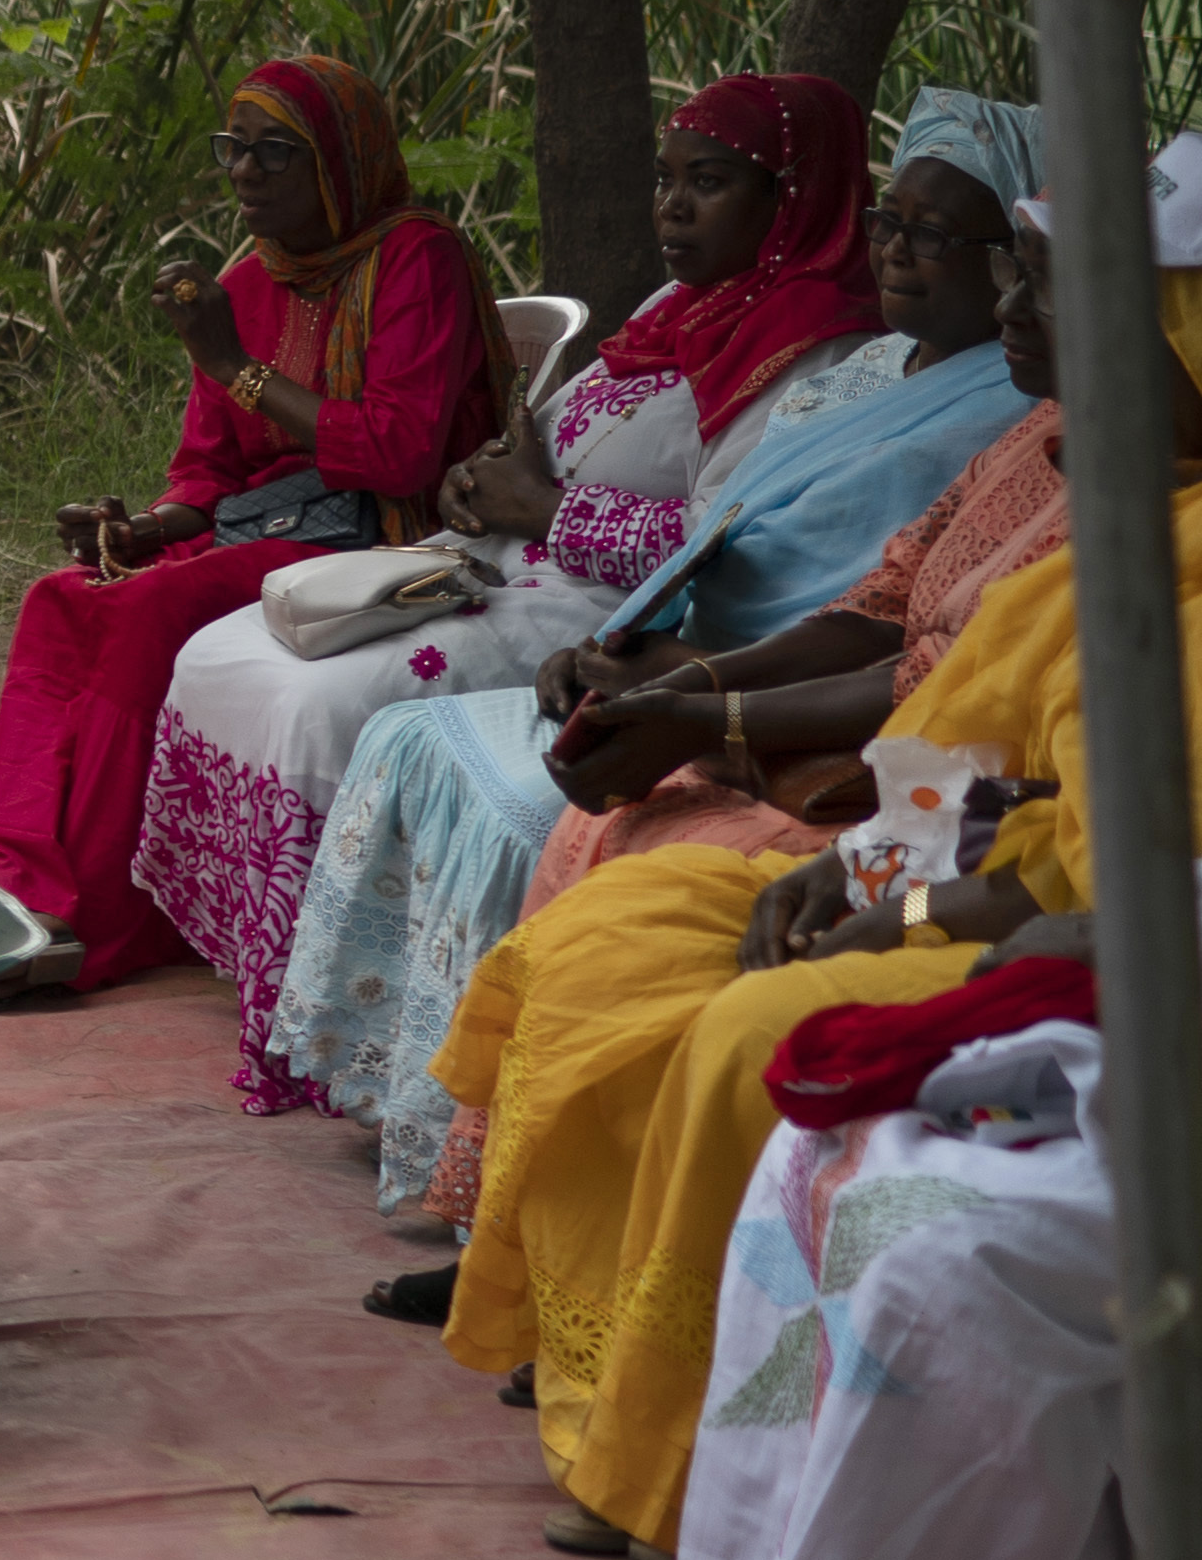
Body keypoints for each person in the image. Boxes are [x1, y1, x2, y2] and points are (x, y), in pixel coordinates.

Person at [429, 137, 1202, 1560]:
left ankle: (683, 1463)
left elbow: (1099, 871)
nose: (1027, 320)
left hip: (1083, 957)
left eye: (1060, 296)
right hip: (943, 862)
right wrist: (838, 869)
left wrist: (880, 908)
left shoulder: (1173, 576)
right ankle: (591, 1340)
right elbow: (963, 754)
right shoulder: (1082, 498)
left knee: (745, 1030)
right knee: (603, 938)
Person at [265, 95, 1045, 1222]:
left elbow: (933, 681)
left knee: (647, 917)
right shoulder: (922, 394)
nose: (901, 253)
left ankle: (567, 1206)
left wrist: (701, 707)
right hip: (767, 690)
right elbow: (861, 595)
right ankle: (501, 1181)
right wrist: (673, 676)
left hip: (931, 802)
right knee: (530, 812)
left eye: (966, 247)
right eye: (892, 221)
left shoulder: (1020, 437)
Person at [141, 73, 894, 1099]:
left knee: (323, 702)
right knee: (219, 656)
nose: (672, 207)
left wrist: (540, 508)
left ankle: (338, 1026)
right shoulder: (684, 304)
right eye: (666, 179)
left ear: (794, 196)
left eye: (709, 182)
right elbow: (558, 434)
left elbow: (728, 543)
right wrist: (486, 477)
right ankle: (275, 981)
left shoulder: (813, 355)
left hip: (597, 604)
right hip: (502, 554)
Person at [0, 57, 509, 986]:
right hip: (269, 528)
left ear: (342, 162)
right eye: (234, 150)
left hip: (379, 532)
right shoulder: (248, 280)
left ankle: (97, 919)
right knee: (62, 597)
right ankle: (14, 886)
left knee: (140, 618)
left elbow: (399, 452)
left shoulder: (417, 257)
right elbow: (210, 472)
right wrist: (146, 530)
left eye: (275, 154)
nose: (245, 174)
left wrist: (234, 365)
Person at [674, 949, 1142, 1560]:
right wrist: (859, 878)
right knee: (798, 1106)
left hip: (1057, 945)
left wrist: (925, 907)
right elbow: (988, 834)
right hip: (1017, 927)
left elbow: (1020, 864)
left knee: (938, 1262)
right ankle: (636, 1451)